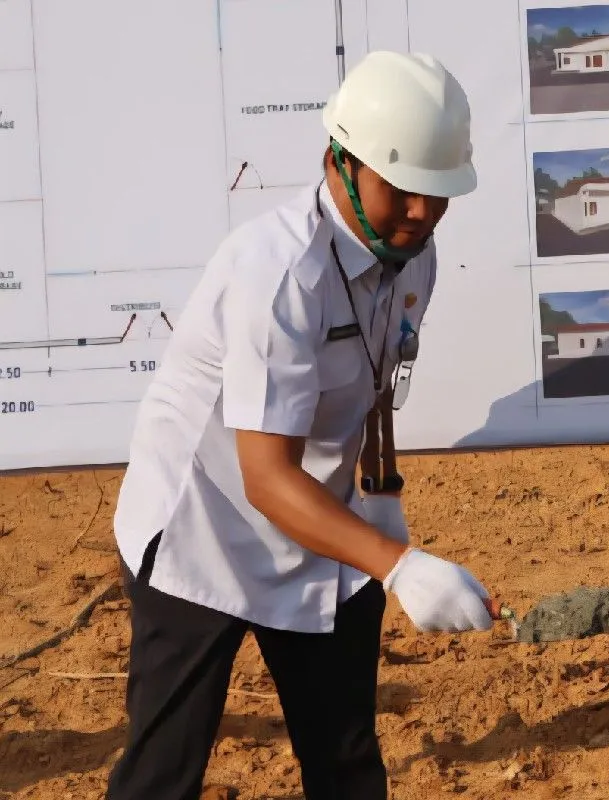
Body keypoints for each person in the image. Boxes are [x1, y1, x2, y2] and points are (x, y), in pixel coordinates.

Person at [106, 51, 497, 800]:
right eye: (403, 190)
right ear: (340, 163)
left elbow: (379, 373)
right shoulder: (279, 274)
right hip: (205, 523)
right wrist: (400, 566)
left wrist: (381, 493)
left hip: (316, 518)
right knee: (164, 771)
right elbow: (264, 478)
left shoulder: (412, 254)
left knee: (346, 761)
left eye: (439, 194)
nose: (422, 213)